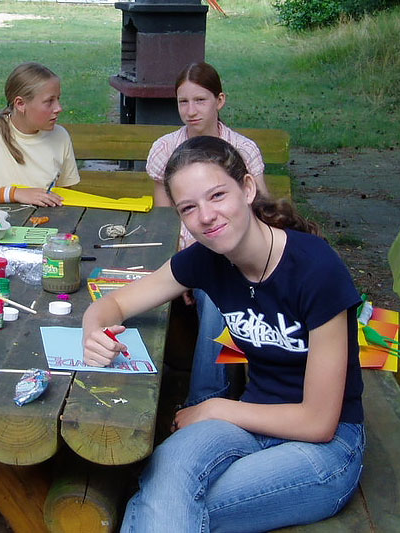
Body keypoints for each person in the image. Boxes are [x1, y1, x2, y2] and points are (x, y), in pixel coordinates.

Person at [82, 136, 365, 532]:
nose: (206, 216)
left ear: (247, 189)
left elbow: (318, 421)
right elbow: (115, 303)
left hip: (325, 449)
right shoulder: (207, 259)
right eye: (189, 208)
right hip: (250, 426)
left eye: (217, 195)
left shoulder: (316, 270)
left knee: (162, 504)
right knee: (167, 481)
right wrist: (93, 329)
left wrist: (213, 409)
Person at [147, 62, 269, 407]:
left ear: (220, 100)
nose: (190, 111)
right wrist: (184, 269)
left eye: (200, 100)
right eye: (182, 102)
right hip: (186, 254)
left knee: (220, 294)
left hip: (236, 255)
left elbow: (260, 216)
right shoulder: (164, 148)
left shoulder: (242, 150)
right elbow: (165, 222)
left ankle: (205, 400)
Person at [0, 62, 80, 207]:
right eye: (49, 101)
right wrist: (15, 193)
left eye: (58, 99)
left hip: (42, 224)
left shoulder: (60, 136)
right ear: (20, 104)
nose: (59, 108)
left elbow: (64, 197)